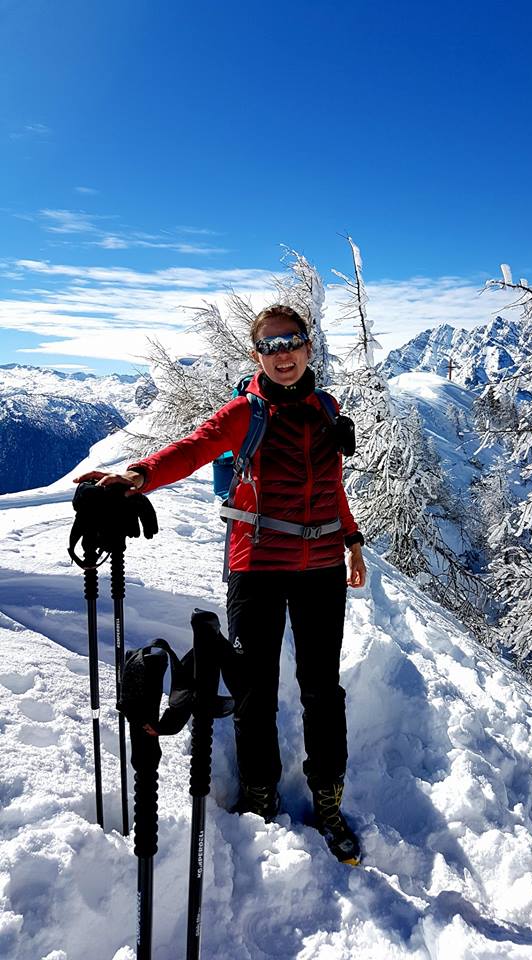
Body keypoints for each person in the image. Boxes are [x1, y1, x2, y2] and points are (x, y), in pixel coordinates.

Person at [75, 304, 366, 864]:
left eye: (292, 343)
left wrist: (351, 541)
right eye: (271, 347)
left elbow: (332, 486)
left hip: (323, 567)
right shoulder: (245, 413)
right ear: (257, 355)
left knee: (322, 691)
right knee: (254, 686)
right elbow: (194, 447)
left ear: (309, 349)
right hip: (257, 566)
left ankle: (327, 798)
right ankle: (260, 790)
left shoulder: (327, 410)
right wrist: (138, 476)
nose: (283, 355)